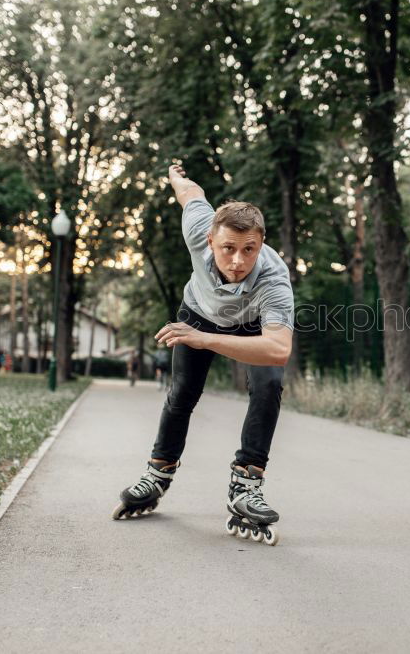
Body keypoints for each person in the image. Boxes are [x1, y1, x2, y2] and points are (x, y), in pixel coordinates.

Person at [112, 162, 294, 546]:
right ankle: (158, 472)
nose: (238, 261)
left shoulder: (274, 280)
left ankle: (246, 483)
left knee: (269, 385)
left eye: (250, 250)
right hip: (198, 310)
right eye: (228, 248)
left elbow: (278, 349)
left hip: (250, 323)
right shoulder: (198, 226)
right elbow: (190, 194)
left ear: (262, 243)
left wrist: (204, 339)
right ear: (210, 240)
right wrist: (174, 175)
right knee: (182, 392)